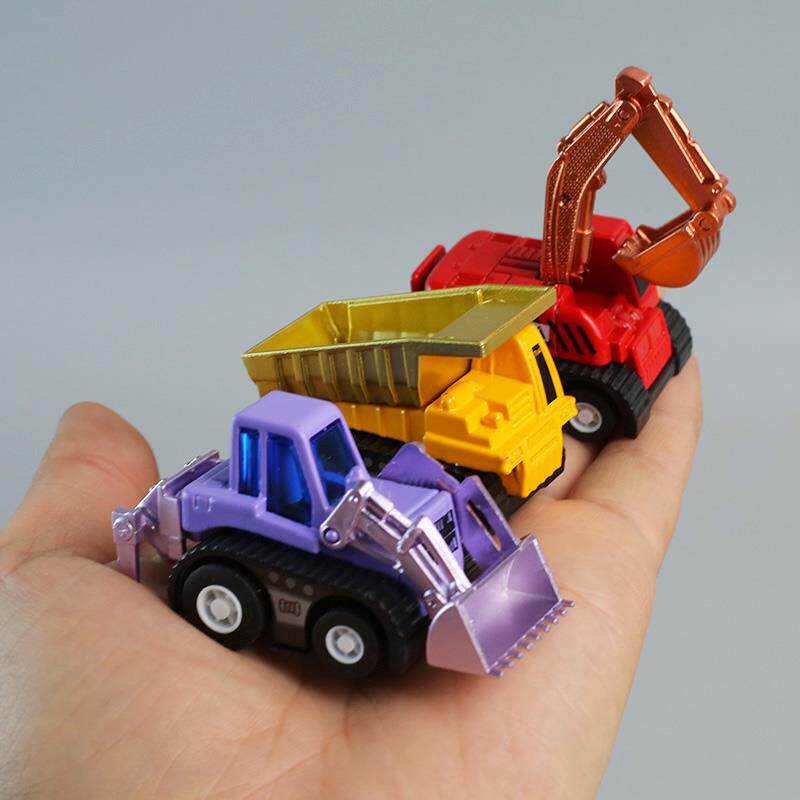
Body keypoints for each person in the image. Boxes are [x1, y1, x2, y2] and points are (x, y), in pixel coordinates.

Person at [0, 360, 702, 799]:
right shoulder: (263, 487)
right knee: (355, 585)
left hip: (310, 504)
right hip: (277, 524)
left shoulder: (332, 464)